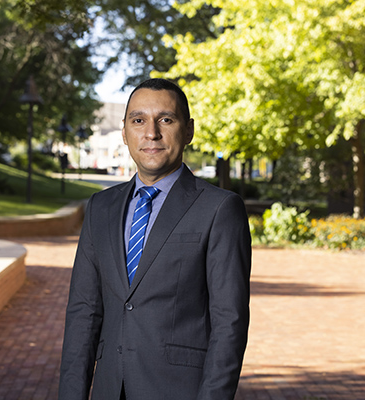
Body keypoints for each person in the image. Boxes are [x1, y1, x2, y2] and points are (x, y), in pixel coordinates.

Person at [59, 78, 251, 400]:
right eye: (138, 120)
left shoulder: (219, 209)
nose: (152, 133)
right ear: (124, 132)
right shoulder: (100, 208)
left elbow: (229, 322)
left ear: (188, 130)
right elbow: (84, 312)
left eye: (166, 119)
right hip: (109, 389)